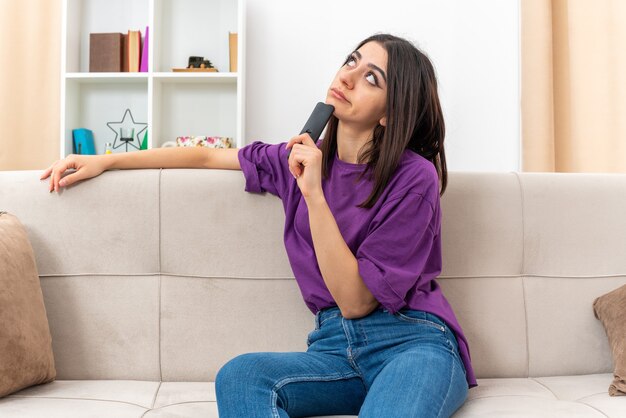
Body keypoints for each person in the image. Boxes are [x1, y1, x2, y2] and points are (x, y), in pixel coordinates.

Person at [41, 33, 477, 417]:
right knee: (242, 376)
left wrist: (313, 194)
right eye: (351, 61)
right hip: (332, 350)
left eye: (371, 78)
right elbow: (205, 155)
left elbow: (357, 302)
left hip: (411, 343)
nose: (347, 76)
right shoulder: (294, 160)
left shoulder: (412, 178)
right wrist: (107, 160)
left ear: (389, 112)